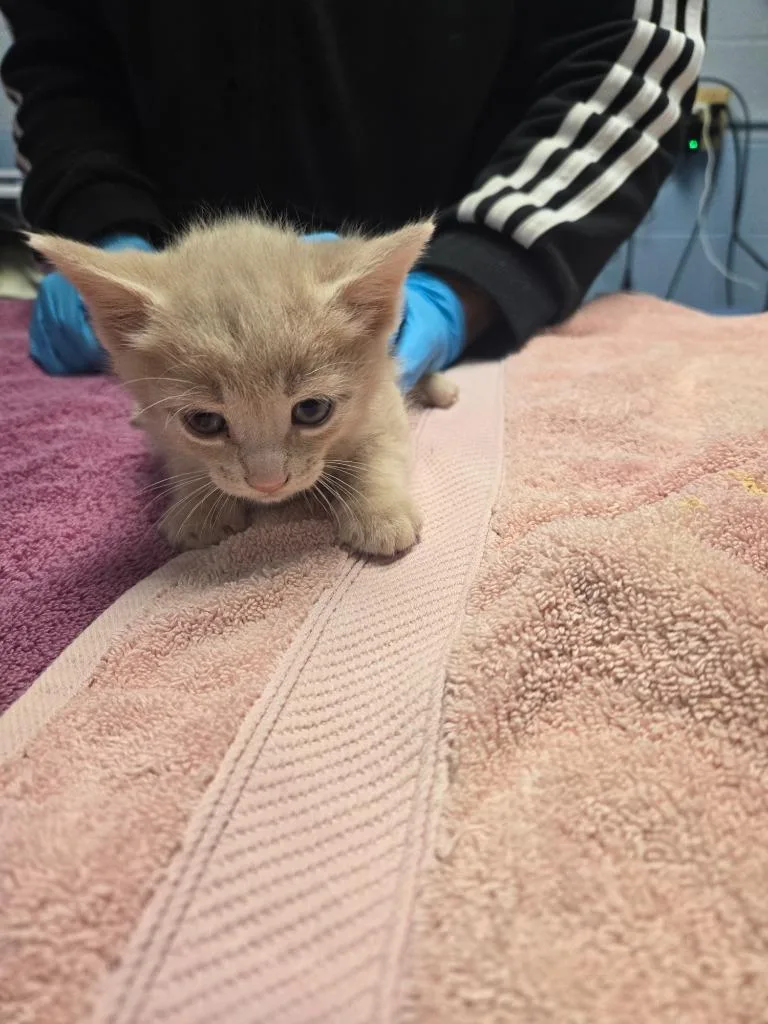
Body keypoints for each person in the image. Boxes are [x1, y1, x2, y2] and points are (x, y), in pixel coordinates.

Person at [1, 1, 705, 388]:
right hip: (169, 295)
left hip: (465, 264)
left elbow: (628, 48)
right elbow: (59, 55)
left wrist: (471, 277)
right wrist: (101, 232)